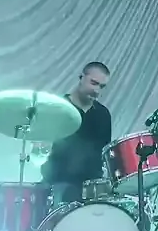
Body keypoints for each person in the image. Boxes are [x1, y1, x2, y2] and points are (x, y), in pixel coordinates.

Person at [39, 61, 113, 204]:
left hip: (91, 191)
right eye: (94, 83)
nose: (97, 90)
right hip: (57, 186)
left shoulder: (103, 115)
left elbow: (104, 156)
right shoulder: (57, 108)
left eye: (101, 86)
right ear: (81, 77)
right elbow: (40, 147)